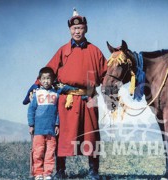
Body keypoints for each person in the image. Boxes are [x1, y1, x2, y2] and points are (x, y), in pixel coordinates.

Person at [23, 8, 107, 180]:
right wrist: (35, 86)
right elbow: (48, 71)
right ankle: (60, 170)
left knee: (91, 135)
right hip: (65, 100)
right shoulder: (62, 50)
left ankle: (94, 171)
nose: (77, 31)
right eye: (74, 29)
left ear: (86, 29)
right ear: (70, 30)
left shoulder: (96, 51)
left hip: (88, 98)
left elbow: (106, 75)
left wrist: (113, 94)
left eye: (80, 28)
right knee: (61, 135)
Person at [28, 67, 60, 180]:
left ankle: (47, 173)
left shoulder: (56, 94)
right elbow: (31, 109)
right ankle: (38, 173)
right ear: (40, 80)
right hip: (38, 130)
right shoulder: (36, 94)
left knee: (50, 152)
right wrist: (31, 125)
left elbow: (58, 112)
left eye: (48, 78)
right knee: (38, 152)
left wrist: (57, 125)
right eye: (44, 78)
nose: (46, 81)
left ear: (52, 80)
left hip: (51, 130)